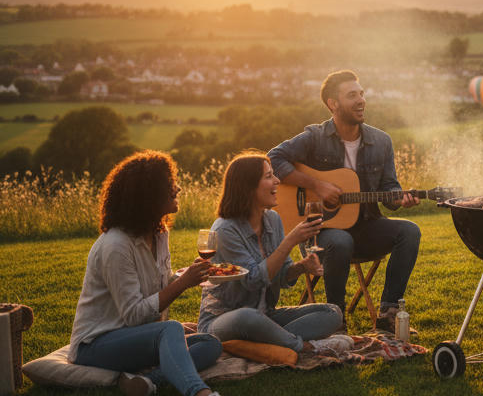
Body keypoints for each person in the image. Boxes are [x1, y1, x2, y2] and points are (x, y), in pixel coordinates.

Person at [268, 70, 420, 334]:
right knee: (340, 240)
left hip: (366, 227)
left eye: (361, 94)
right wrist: (316, 185)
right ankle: (335, 320)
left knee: (409, 231)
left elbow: (389, 188)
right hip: (320, 232)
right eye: (352, 95)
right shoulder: (314, 137)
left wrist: (399, 198)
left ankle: (388, 314)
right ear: (333, 104)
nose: (361, 100)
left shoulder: (381, 141)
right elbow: (273, 158)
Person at [68, 151, 223, 396]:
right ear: (149, 194)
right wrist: (182, 283)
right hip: (96, 345)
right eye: (170, 183)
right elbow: (133, 315)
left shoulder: (159, 234)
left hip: (135, 337)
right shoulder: (116, 246)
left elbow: (158, 285)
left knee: (210, 343)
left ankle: (146, 382)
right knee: (171, 329)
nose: (178, 188)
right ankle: (200, 393)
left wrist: (185, 276)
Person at [198, 153, 345, 354]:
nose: (277, 180)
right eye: (269, 176)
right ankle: (302, 346)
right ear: (248, 187)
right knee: (247, 316)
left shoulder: (273, 219)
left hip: (265, 315)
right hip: (225, 318)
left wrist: (302, 267)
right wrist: (290, 241)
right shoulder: (225, 229)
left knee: (332, 312)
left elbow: (282, 275)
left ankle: (269, 340)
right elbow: (253, 281)